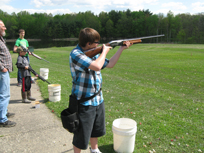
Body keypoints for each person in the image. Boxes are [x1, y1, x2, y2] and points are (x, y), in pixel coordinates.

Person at [69, 28, 132, 153]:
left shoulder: (93, 52)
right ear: (88, 43)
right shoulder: (76, 54)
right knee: (81, 134)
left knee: (95, 128)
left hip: (97, 99)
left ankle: (94, 149)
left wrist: (121, 49)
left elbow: (110, 64)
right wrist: (104, 52)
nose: (98, 44)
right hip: (83, 102)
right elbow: (97, 66)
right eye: (96, 42)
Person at [0, 20, 16, 127]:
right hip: (2, 72)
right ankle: (2, 119)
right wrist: (2, 68)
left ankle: (3, 112)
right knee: (5, 95)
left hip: (3, 71)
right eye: (3, 26)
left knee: (3, 94)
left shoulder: (1, 39)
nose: (5, 28)